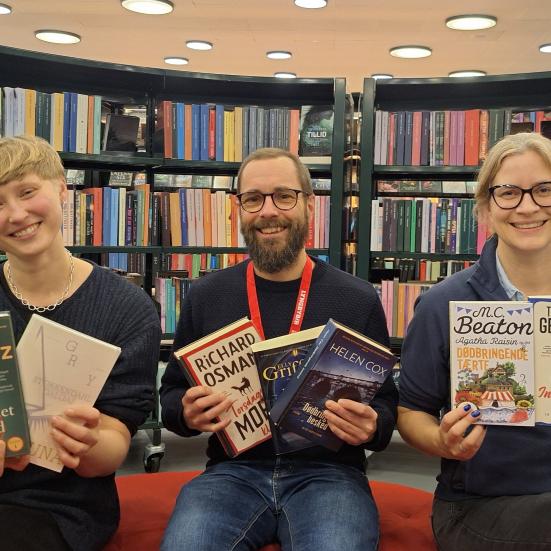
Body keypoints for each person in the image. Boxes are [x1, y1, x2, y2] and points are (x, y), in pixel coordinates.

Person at [160, 147, 398, 551]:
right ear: (239, 209)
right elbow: (171, 395)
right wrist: (186, 412)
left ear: (309, 204)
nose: (268, 211)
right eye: (253, 198)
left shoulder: (357, 299)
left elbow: (386, 403)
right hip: (231, 473)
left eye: (284, 196)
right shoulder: (206, 296)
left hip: (329, 475)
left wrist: (372, 425)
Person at [0, 136, 161, 551]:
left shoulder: (128, 309)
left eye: (27, 192)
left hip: (58, 507)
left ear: (61, 188)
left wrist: (87, 443)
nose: (15, 214)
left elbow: (113, 441)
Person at [397, 132, 551, 551]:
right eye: (508, 193)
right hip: (480, 504)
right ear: (485, 207)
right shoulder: (443, 303)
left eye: (544, 189)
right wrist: (443, 441)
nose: (528, 206)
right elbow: (410, 412)